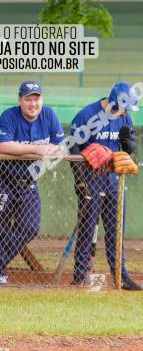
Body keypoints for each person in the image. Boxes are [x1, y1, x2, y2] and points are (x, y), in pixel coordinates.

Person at [0, 81, 64, 285]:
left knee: (30, 227)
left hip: (27, 181)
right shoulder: (9, 116)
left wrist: (50, 148)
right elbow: (2, 146)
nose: (33, 103)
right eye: (28, 99)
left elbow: (60, 146)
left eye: (36, 99)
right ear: (20, 101)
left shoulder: (49, 115)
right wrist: (38, 149)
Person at [69, 82, 141, 291]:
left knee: (116, 229)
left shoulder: (125, 117)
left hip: (114, 180)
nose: (125, 112)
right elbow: (73, 145)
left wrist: (129, 144)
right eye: (122, 107)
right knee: (87, 228)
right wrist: (79, 179)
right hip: (90, 177)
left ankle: (121, 275)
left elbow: (128, 147)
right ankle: (80, 274)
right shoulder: (88, 115)